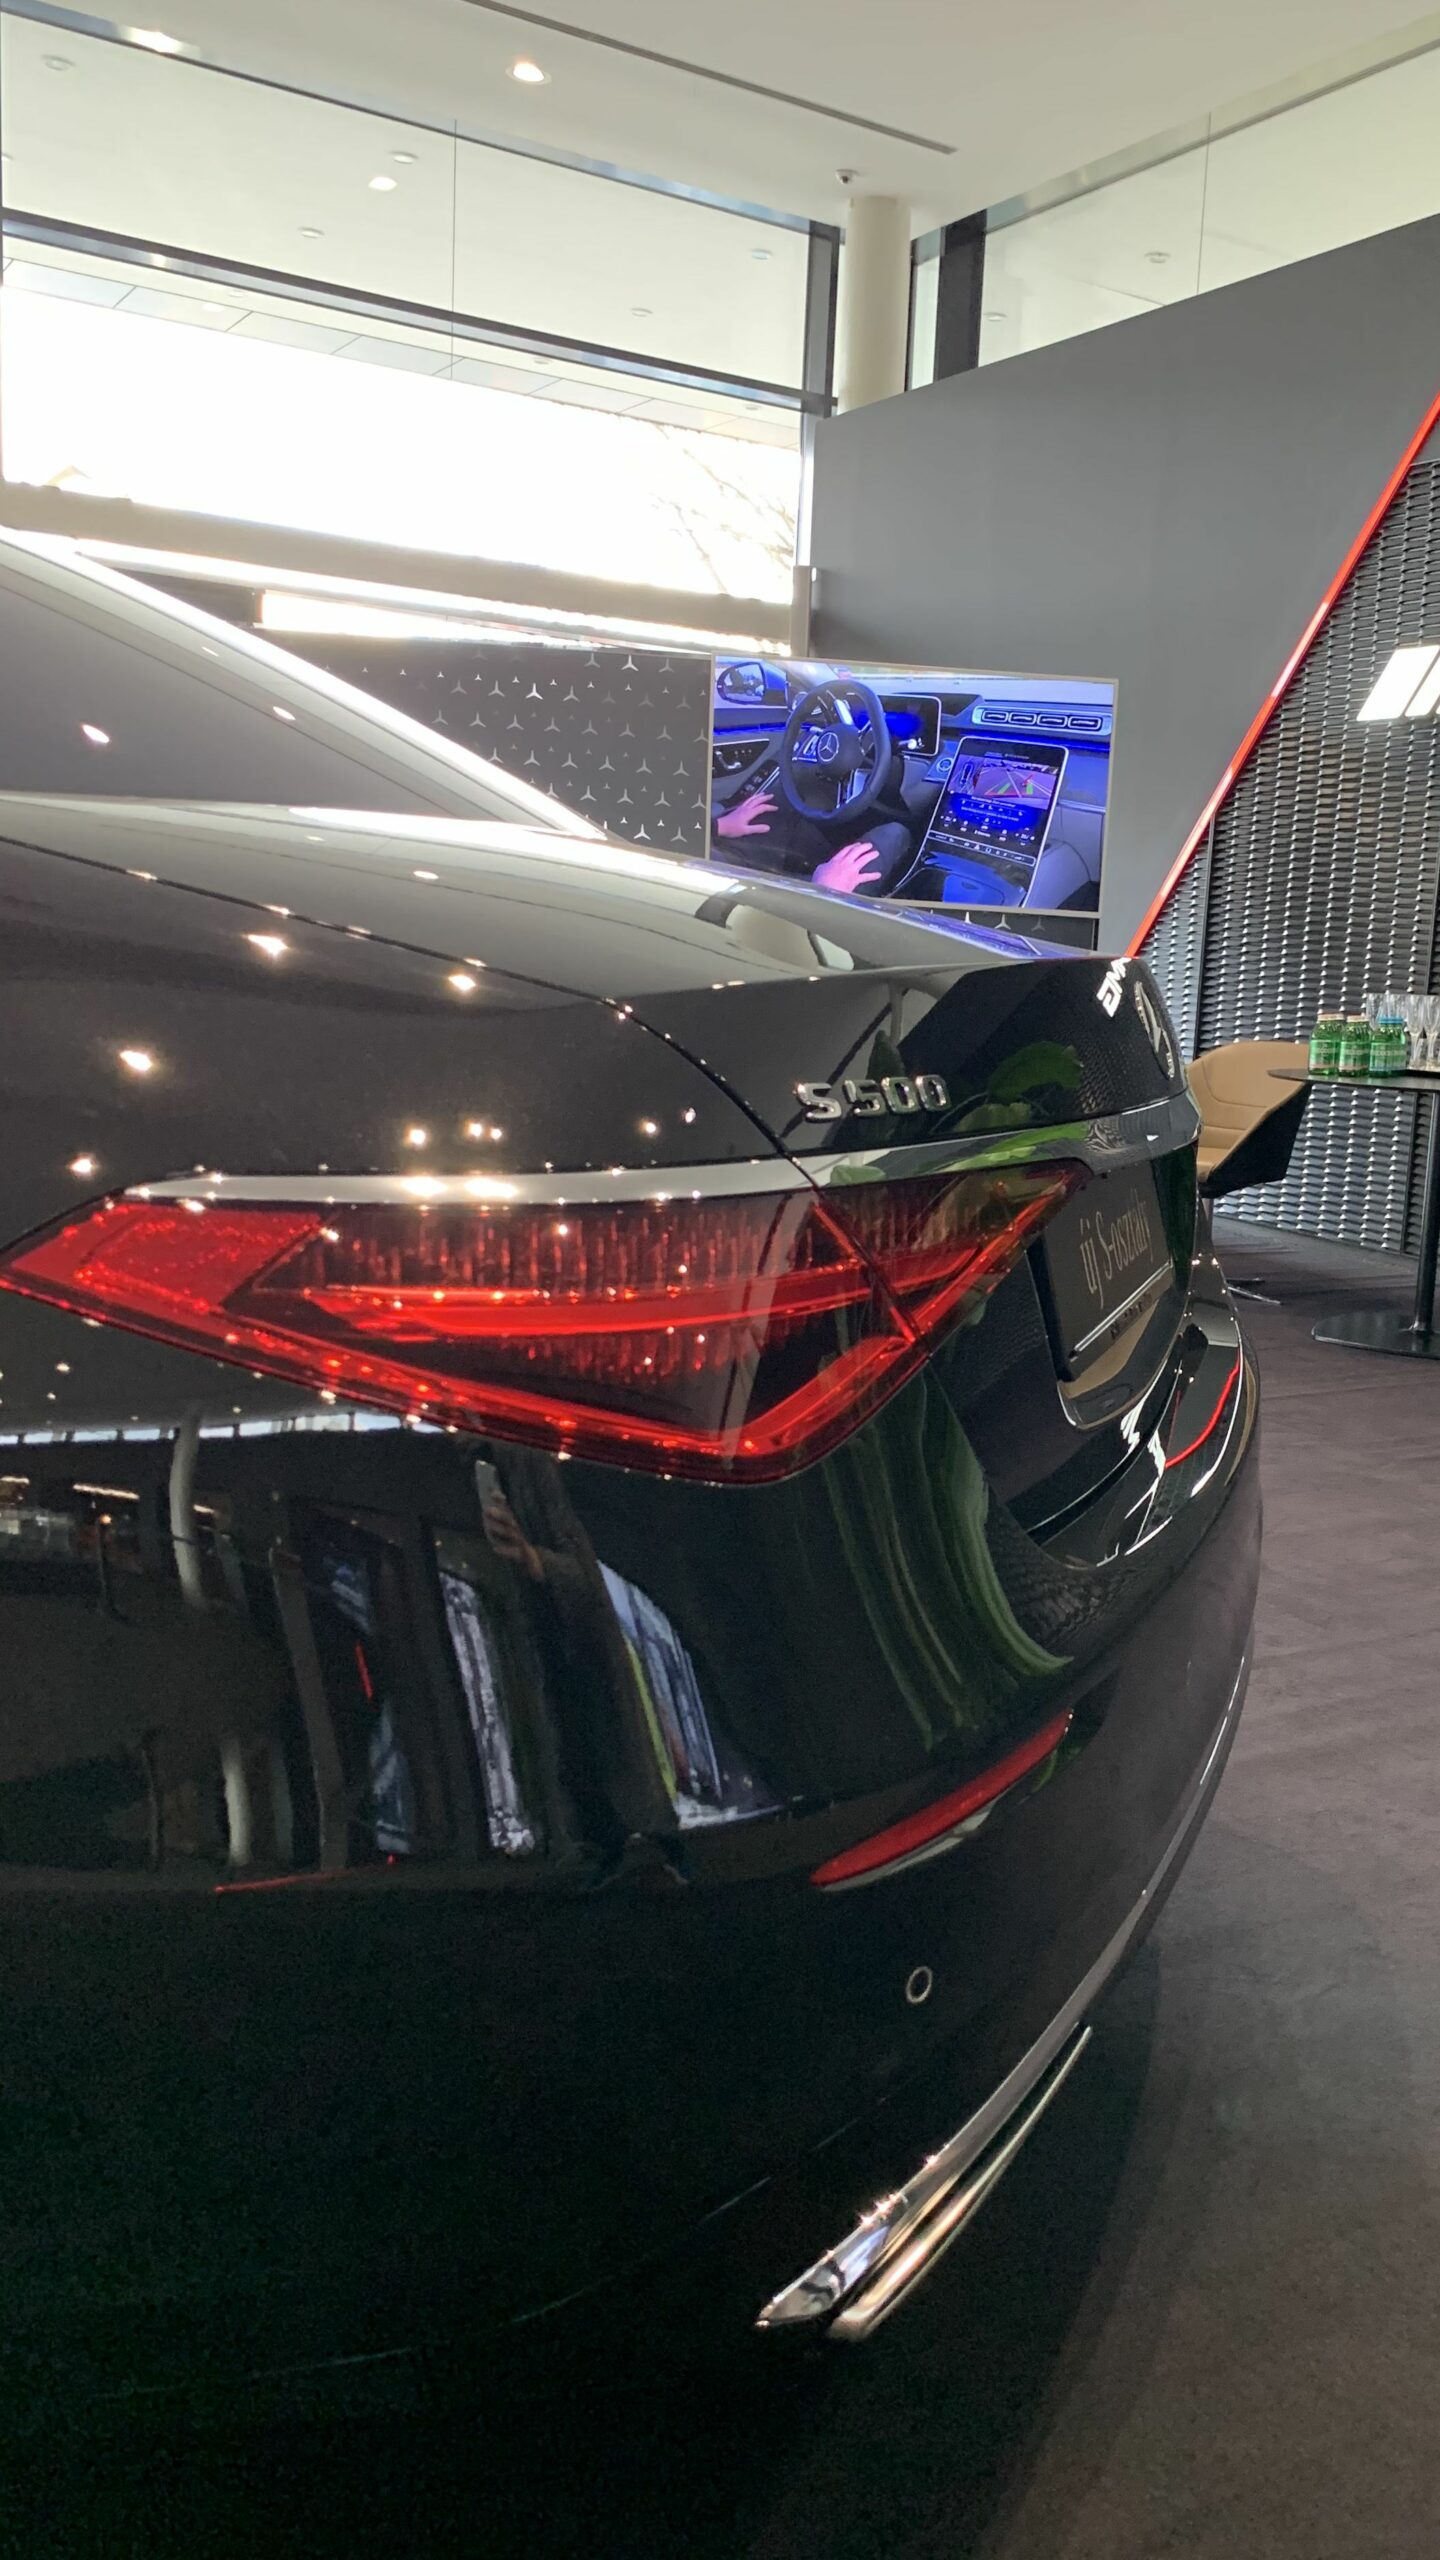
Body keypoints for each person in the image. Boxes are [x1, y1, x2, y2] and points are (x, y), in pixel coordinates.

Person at [714, 786, 913, 895]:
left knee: (780, 797)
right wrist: (822, 892)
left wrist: (719, 826)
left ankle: (823, 865)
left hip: (721, 856)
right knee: (893, 835)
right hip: (748, 895)